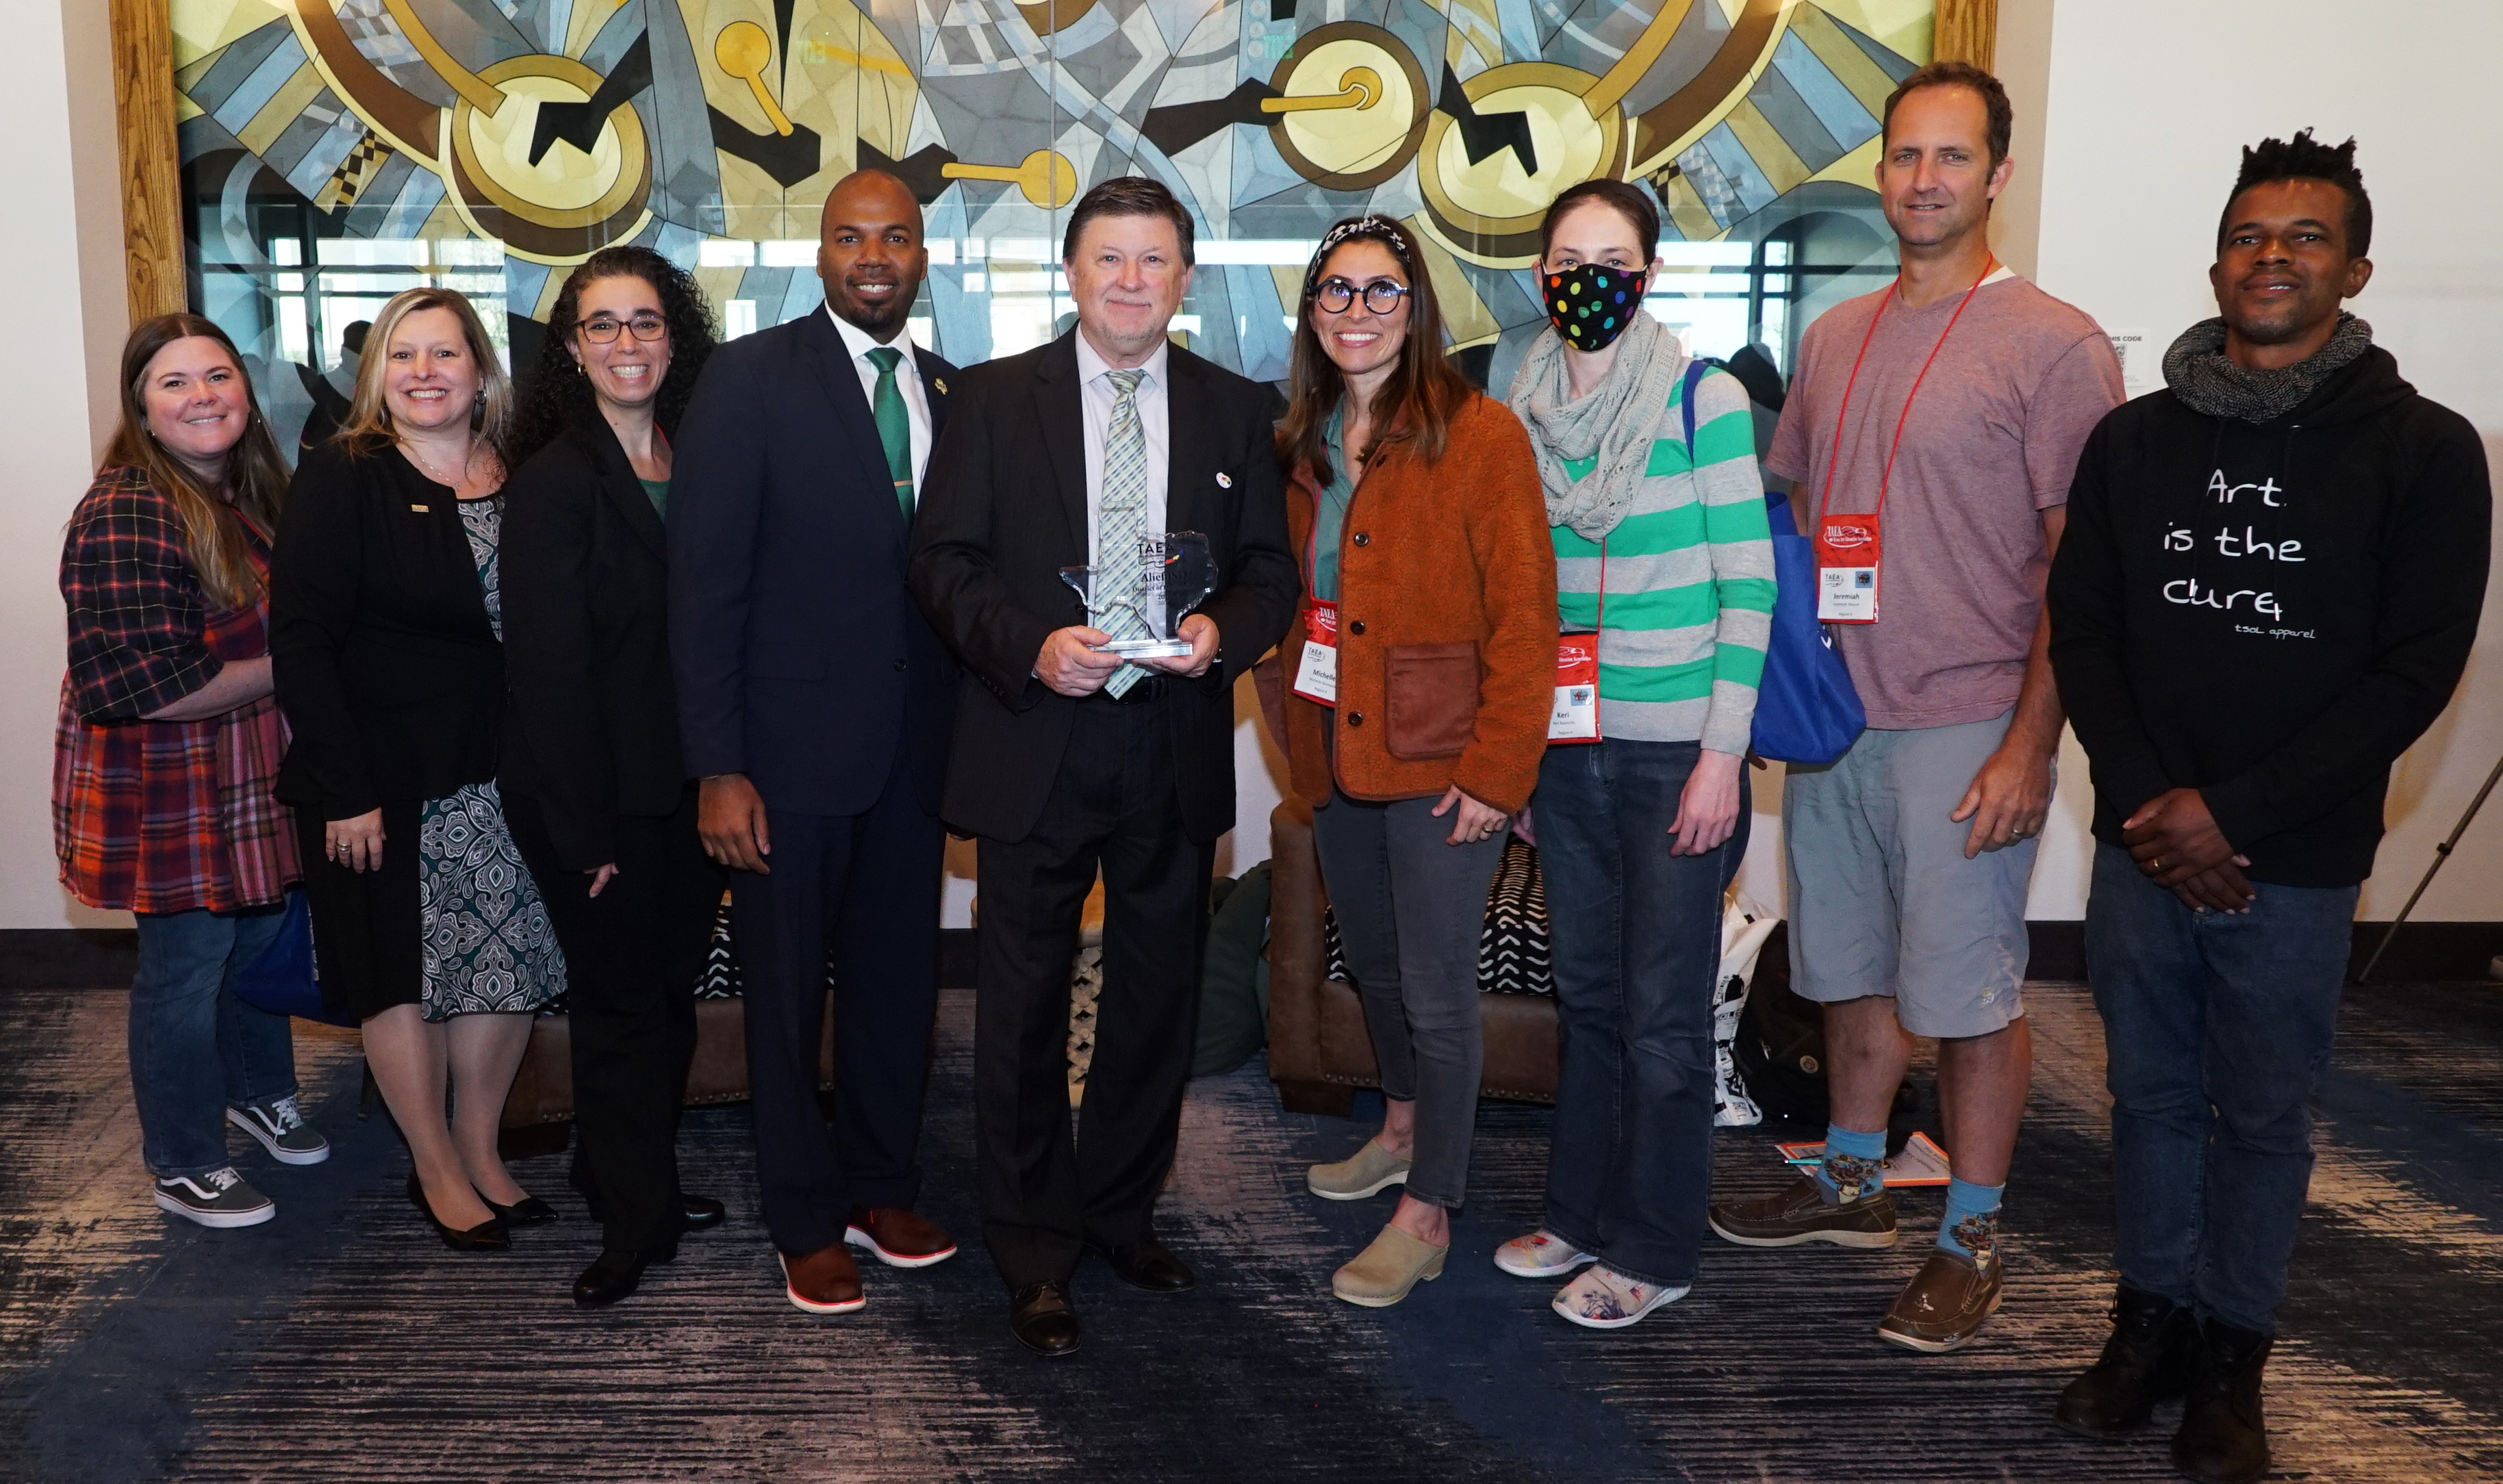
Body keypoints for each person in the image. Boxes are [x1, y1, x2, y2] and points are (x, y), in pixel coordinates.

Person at [2046, 133, 2489, 1483]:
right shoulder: (2132, 441)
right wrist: (2151, 805)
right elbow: (2086, 633)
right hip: (2140, 848)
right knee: (2147, 1100)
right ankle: (2148, 1328)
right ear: (2216, 265)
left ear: (2354, 271)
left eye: (2305, 237)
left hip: (2291, 861)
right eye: (2249, 235)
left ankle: (2232, 1359)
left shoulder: (2425, 450)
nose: (2272, 256)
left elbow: (2414, 670)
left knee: (2262, 1117)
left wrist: (2229, 816)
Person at [1703, 60, 2123, 1353]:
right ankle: (1848, 1177)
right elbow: (1785, 528)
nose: (1924, 179)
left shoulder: (2056, 343)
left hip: (1969, 723)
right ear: (1878, 171)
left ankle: (1972, 1235)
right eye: (1905, 155)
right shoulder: (1833, 337)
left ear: (1999, 175)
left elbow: (2083, 571)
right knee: (1846, 970)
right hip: (1836, 721)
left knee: (1970, 996)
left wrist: (2030, 746)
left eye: (1953, 157)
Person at [910, 176, 1299, 1357]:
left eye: (1154, 260)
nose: (1132, 282)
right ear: (1072, 272)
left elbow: (1271, 575)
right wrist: (1033, 645)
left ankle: (1122, 1214)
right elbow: (943, 562)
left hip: (1171, 741)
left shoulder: (1238, 408)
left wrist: (1220, 633)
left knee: (1153, 1002)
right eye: (1110, 259)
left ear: (1186, 277)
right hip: (1037, 733)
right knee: (1022, 1009)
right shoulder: (990, 399)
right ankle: (1035, 1252)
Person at [670, 170, 963, 1317]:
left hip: (915, 756)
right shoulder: (749, 378)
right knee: (787, 1001)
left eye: (895, 238)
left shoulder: (951, 389)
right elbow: (704, 589)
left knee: (899, 987)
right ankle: (802, 1217)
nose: (873, 257)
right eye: (850, 237)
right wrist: (717, 766)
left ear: (922, 256)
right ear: (821, 251)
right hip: (782, 759)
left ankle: (882, 1188)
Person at [1496, 181, 1775, 1328]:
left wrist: (1720, 758)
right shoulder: (1518, 408)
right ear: (1541, 272)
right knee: (1589, 1001)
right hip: (1567, 751)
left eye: (1614, 261)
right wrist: (1521, 756)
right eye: (1569, 259)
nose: (1588, 280)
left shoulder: (1703, 399)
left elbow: (1749, 588)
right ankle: (1579, 1213)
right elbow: (1519, 600)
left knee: (1663, 1018)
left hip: (1676, 760)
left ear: (1649, 276)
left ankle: (1654, 1249)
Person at [1275, 216, 1555, 1308]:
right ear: (1313, 311)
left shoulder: (1479, 434)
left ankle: (1431, 1210)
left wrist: (1497, 771)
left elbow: (1526, 617)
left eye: (1382, 290)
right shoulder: (1303, 438)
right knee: (1378, 969)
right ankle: (1399, 1130)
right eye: (1336, 290)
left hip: (1445, 759)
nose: (1359, 311)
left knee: (1438, 993)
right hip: (1338, 751)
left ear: (1418, 306)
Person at [271, 286, 567, 1253]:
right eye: (403, 355)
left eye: (445, 353)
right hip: (380, 779)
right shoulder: (344, 473)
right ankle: (434, 1165)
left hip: (506, 771)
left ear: (481, 371)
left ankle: (482, 1151)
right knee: (399, 974)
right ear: (376, 376)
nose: (424, 373)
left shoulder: (523, 471)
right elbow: (302, 641)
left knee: (503, 965)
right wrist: (345, 789)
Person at [56, 314, 329, 1229]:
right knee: (184, 969)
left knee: (258, 938)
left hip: (247, 773)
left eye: (217, 376)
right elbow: (151, 689)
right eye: (174, 382)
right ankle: (183, 1161)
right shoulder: (129, 508)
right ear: (141, 407)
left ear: (245, 391)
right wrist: (304, 661)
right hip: (168, 782)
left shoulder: (246, 492)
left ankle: (255, 1092)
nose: (202, 396)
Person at [502, 246, 729, 1306]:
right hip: (594, 800)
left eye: (646, 322)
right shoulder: (555, 481)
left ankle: (624, 1174)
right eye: (603, 325)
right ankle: (633, 1230)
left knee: (670, 998)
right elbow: (549, 677)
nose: (627, 343)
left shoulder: (697, 457)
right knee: (620, 1009)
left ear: (674, 338)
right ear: (573, 347)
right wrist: (584, 832)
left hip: (690, 790)